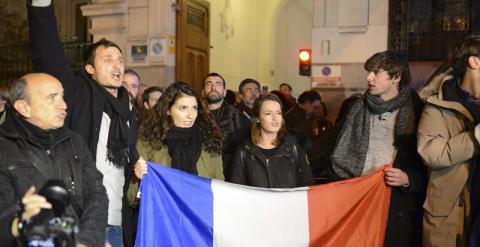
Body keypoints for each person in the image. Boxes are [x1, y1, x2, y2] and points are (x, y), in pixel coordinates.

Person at [27, 1, 138, 246]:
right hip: (81, 221)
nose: (117, 64)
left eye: (120, 59)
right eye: (108, 59)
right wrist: (41, 6)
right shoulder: (77, 95)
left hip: (117, 224)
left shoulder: (128, 111)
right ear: (90, 68)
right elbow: (49, 53)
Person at [331, 50, 426, 247]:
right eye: (369, 72)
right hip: (356, 199)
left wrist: (408, 179)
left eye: (376, 72)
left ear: (396, 77)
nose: (369, 77)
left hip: (395, 204)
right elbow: (334, 148)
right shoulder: (356, 107)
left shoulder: (418, 112)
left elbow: (430, 163)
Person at [0, 73, 108, 247]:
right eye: (52, 98)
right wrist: (19, 223)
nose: (64, 105)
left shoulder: (74, 141)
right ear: (23, 107)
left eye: (62, 96)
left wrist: (86, 241)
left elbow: (96, 195)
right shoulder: (4, 148)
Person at [417, 35, 480, 247]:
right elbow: (432, 153)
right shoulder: (438, 105)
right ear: (475, 61)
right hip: (452, 215)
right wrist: (475, 137)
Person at [128, 81, 224, 205]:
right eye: (183, 108)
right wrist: (139, 179)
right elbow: (132, 199)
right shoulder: (150, 141)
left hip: (200, 218)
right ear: (168, 110)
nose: (190, 115)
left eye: (194, 108)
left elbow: (220, 191)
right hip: (164, 218)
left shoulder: (209, 141)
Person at [229, 93, 314, 188]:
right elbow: (237, 189)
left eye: (279, 113)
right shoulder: (244, 150)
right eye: (268, 113)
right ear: (257, 118)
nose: (275, 118)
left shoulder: (294, 147)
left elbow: (307, 185)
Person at [201, 72, 250, 179]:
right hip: (201, 175)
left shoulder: (239, 118)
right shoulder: (193, 116)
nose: (213, 87)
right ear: (203, 92)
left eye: (218, 84)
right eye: (209, 84)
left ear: (224, 92)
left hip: (228, 176)